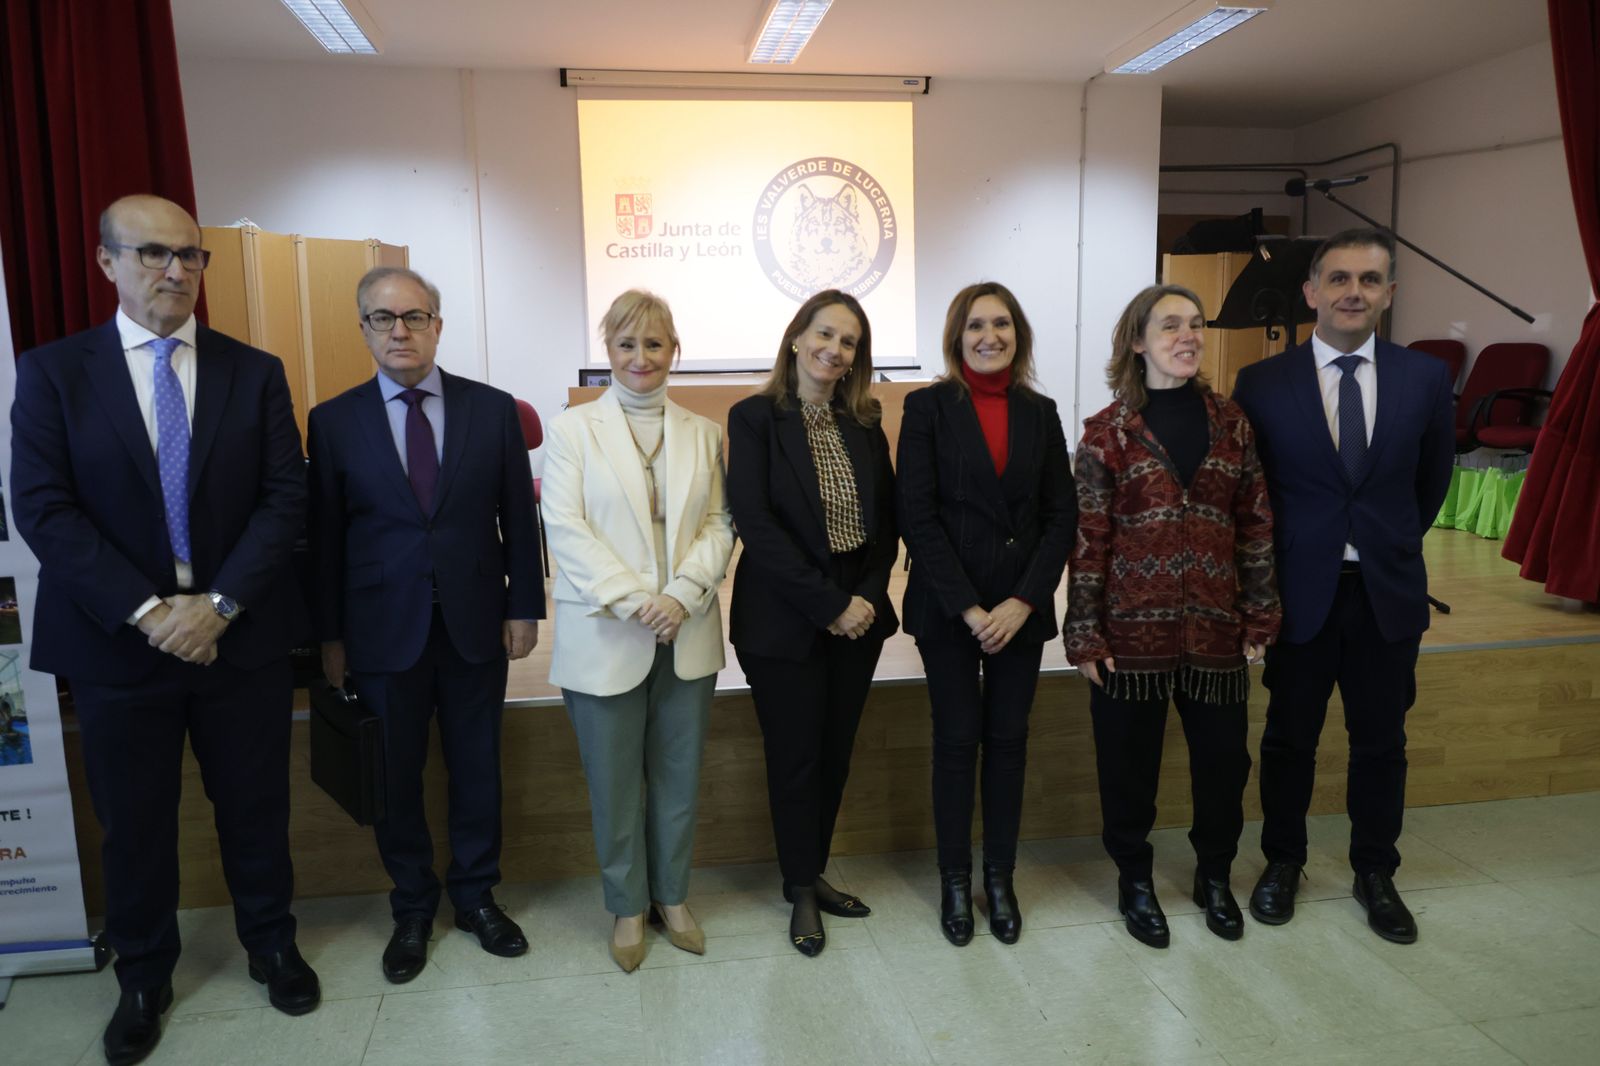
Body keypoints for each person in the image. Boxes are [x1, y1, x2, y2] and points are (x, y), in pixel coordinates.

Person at [10, 194, 318, 1064]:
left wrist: (217, 606)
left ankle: (272, 945)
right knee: (135, 822)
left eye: (190, 256)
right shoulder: (54, 373)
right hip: (119, 645)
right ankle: (144, 974)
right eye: (151, 254)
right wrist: (151, 612)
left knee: (255, 808)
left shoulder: (252, 370)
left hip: (240, 636)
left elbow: (283, 498)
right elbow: (43, 509)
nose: (175, 272)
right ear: (106, 262)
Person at [307, 266, 544, 983]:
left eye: (415, 316)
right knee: (396, 775)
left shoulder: (492, 410)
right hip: (381, 631)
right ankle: (412, 905)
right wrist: (331, 636)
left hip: (476, 624)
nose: (400, 330)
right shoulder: (333, 420)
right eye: (383, 319)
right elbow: (326, 541)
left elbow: (518, 518)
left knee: (477, 769)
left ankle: (475, 897)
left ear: (438, 325)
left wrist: (524, 605)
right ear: (365, 329)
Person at [1231, 228, 1454, 944]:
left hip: (1386, 591)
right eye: (1338, 279)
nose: (1352, 292)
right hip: (1300, 593)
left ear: (1388, 293)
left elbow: (1432, 484)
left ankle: (1375, 871)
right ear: (1311, 292)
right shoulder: (1262, 384)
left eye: (1368, 280)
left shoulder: (1424, 378)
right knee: (1289, 739)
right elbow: (1254, 492)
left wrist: (1385, 543)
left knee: (1381, 742)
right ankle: (1283, 863)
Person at [1065, 284, 1281, 949]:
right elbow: (1089, 540)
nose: (1187, 336)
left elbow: (1256, 525)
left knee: (1223, 764)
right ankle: (1135, 879)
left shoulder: (1233, 423)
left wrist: (1260, 614)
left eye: (1195, 325)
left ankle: (1214, 875)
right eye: (1169, 326)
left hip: (1215, 630)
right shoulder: (1107, 433)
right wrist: (1085, 632)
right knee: (1127, 767)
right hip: (1130, 637)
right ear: (1137, 341)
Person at [542, 290, 735, 972]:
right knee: (615, 783)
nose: (641, 357)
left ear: (673, 351)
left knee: (680, 777)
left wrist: (681, 595)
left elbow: (720, 523)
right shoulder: (571, 432)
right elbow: (565, 527)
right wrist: (635, 599)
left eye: (654, 344)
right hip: (607, 633)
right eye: (627, 344)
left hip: (687, 629)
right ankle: (628, 905)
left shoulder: (703, 433)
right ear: (609, 351)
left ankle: (673, 898)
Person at [897, 281, 1077, 947]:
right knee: (956, 741)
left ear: (1018, 335)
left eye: (1002, 324)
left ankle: (998, 876)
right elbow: (915, 514)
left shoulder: (1041, 410)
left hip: (1020, 608)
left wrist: (1023, 600)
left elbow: (1062, 515)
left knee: (1008, 742)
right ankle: (954, 878)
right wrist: (971, 606)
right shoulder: (927, 408)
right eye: (976, 325)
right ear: (957, 335)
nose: (989, 335)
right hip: (951, 607)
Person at [727, 289, 898, 957]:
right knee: (796, 758)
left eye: (849, 341)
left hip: (859, 615)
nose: (834, 349)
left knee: (834, 754)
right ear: (797, 337)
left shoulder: (864, 422)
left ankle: (813, 868)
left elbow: (885, 527)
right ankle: (800, 885)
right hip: (785, 617)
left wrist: (867, 598)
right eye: (824, 334)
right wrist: (829, 603)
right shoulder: (755, 419)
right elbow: (757, 526)